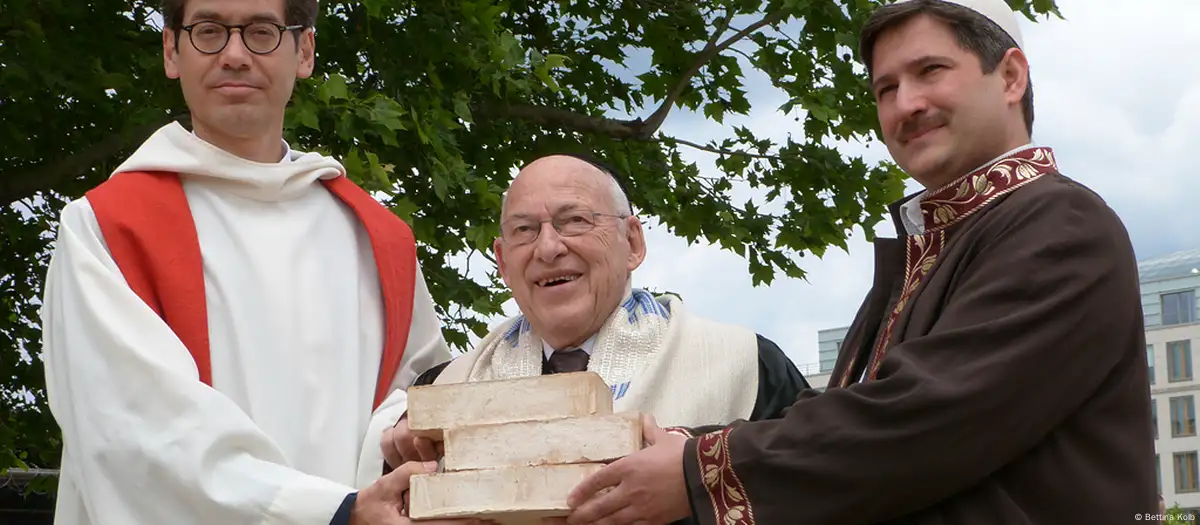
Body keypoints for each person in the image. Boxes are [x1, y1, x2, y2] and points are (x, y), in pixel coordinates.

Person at [561, 1, 1157, 524]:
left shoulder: (1061, 225)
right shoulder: (938, 241)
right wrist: (689, 448)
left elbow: (923, 424)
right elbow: (851, 415)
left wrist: (698, 472)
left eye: (930, 71)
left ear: (1010, 76)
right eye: (885, 88)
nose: (906, 104)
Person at [40, 0, 463, 524]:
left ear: (304, 50)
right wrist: (334, 513)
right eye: (209, 31)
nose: (235, 55)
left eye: (262, 31)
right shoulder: (106, 228)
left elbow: (418, 399)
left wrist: (400, 446)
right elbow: (134, 432)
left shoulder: (377, 238)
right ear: (172, 50)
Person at [380, 153, 810, 473]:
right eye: (525, 231)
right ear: (502, 262)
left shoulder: (745, 367)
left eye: (575, 221)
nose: (549, 248)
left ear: (633, 242)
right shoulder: (437, 397)